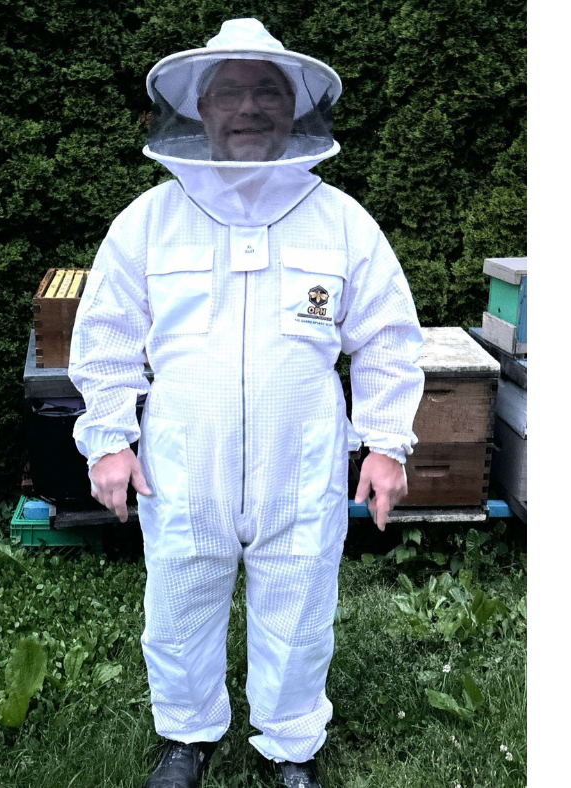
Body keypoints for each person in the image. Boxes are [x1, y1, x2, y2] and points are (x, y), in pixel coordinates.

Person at [69, 18, 425, 788]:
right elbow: (104, 336)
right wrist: (107, 439)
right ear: (200, 111)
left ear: (296, 109)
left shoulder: (342, 221)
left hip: (299, 462)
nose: (250, 107)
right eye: (231, 92)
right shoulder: (149, 222)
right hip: (182, 461)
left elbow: (389, 337)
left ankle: (290, 745)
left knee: (299, 604)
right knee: (178, 599)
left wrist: (388, 445)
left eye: (268, 91)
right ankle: (187, 736)